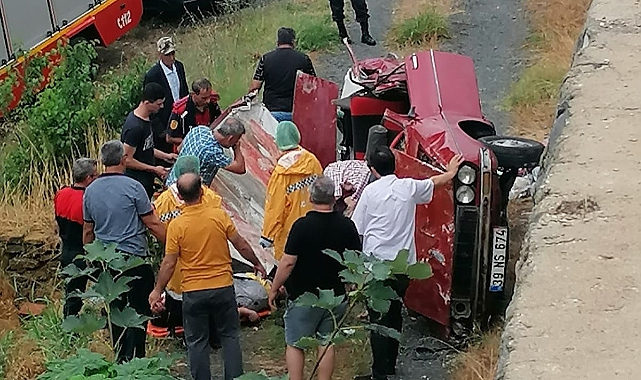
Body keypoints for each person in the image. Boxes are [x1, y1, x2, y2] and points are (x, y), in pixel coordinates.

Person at [351, 146, 463, 380]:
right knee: (395, 314)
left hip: (376, 267)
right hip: (403, 267)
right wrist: (452, 172)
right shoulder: (408, 187)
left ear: (372, 169)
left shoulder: (370, 193)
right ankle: (389, 366)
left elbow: (357, 228)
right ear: (395, 165)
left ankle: (380, 373)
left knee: (379, 321)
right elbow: (434, 182)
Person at [149, 173, 267, 380]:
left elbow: (169, 262)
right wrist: (256, 262)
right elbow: (240, 244)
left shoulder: (177, 226)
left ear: (181, 197)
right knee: (229, 336)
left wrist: (158, 290)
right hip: (222, 287)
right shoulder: (218, 216)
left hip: (193, 291)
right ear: (202, 191)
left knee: (196, 342)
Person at [268, 176, 361, 380]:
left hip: (304, 296)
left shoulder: (302, 226)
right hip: (335, 295)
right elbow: (355, 260)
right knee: (326, 342)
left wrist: (275, 287)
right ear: (333, 198)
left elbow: (288, 262)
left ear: (311, 197)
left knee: (295, 343)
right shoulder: (347, 226)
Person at [83, 140, 167, 363]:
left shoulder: (90, 191)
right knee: (139, 310)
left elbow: (88, 231)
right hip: (134, 258)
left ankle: (120, 357)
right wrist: (173, 244)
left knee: (115, 308)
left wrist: (90, 259)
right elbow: (152, 223)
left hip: (106, 260)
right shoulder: (134, 187)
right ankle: (137, 358)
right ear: (123, 160)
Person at [260, 121, 323, 261]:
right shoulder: (312, 161)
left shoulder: (281, 173)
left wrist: (267, 235)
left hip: (291, 231)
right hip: (316, 225)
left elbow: (275, 207)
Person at [54, 158, 98, 317]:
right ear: (88, 178)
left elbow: (57, 223)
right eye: (95, 175)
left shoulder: (61, 193)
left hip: (66, 248)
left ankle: (69, 328)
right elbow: (88, 230)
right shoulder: (88, 199)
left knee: (71, 294)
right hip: (83, 251)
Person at [121, 82, 178, 199]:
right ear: (147, 103)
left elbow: (146, 147)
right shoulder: (135, 128)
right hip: (137, 182)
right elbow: (127, 160)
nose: (161, 107)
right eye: (159, 104)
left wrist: (166, 156)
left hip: (147, 179)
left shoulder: (147, 119)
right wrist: (154, 169)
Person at [249, 27, 316, 122]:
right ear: (293, 41)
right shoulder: (303, 59)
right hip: (296, 112)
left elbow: (254, 88)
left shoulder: (266, 59)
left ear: (277, 42)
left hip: (271, 113)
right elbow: (314, 86)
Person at [144, 36, 189, 164]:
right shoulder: (153, 75)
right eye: (168, 54)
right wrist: (161, 131)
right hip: (164, 121)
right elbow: (150, 103)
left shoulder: (179, 67)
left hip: (181, 119)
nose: (171, 58)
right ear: (160, 55)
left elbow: (184, 92)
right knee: (168, 158)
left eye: (173, 53)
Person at [165, 117, 247, 188]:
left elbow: (179, 149)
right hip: (185, 192)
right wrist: (237, 149)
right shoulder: (213, 151)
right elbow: (240, 168)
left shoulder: (199, 129)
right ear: (230, 138)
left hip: (172, 181)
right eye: (237, 139)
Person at [166, 78, 222, 151]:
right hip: (187, 151)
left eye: (209, 97)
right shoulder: (181, 110)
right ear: (193, 94)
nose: (208, 101)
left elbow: (220, 120)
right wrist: (194, 141)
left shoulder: (212, 103)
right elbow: (169, 138)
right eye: (204, 98)